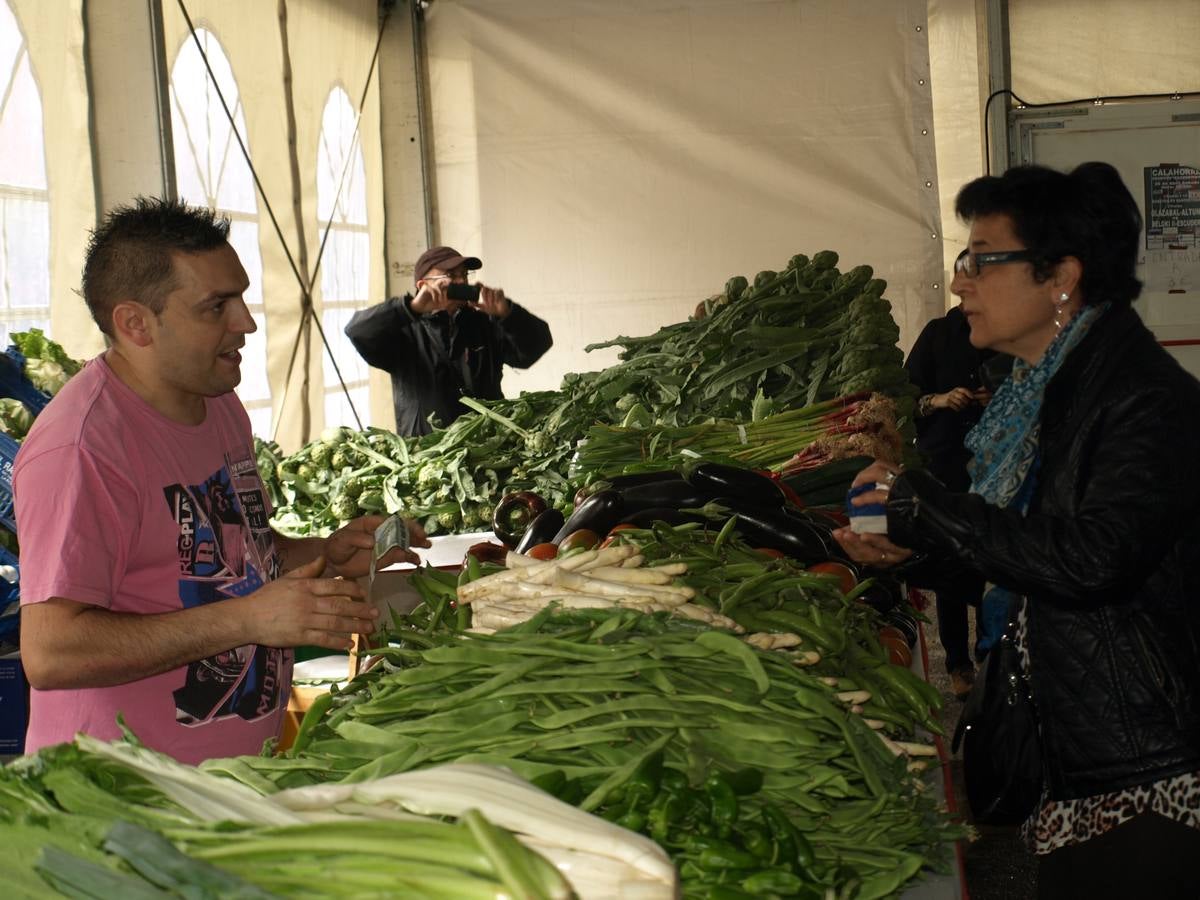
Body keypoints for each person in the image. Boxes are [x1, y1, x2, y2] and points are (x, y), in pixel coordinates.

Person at [835, 162, 1200, 898]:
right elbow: (1025, 564)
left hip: (1149, 768)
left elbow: (1094, 562)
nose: (961, 281)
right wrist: (912, 555)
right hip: (1080, 754)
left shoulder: (1142, 400)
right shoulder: (1042, 397)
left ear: (1060, 276)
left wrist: (922, 504)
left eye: (980, 259)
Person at [15, 197, 429, 765]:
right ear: (136, 323)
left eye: (241, 297)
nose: (247, 322)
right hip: (128, 794)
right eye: (217, 307)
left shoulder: (218, 403)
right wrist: (248, 619)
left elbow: (241, 550)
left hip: (229, 775)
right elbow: (52, 652)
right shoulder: (83, 448)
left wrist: (326, 554)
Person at [902, 304, 1010, 699]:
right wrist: (941, 400)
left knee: (990, 557)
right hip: (944, 461)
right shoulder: (937, 334)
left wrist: (994, 398)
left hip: (995, 463)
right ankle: (957, 663)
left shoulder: (1006, 331)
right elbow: (906, 400)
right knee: (949, 559)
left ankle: (990, 656)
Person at [344, 246, 553, 436]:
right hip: (426, 459)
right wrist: (411, 307)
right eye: (451, 275)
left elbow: (536, 347)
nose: (461, 281)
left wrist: (508, 313)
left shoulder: (484, 324)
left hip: (489, 451)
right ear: (423, 285)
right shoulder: (403, 331)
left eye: (464, 275)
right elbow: (357, 331)